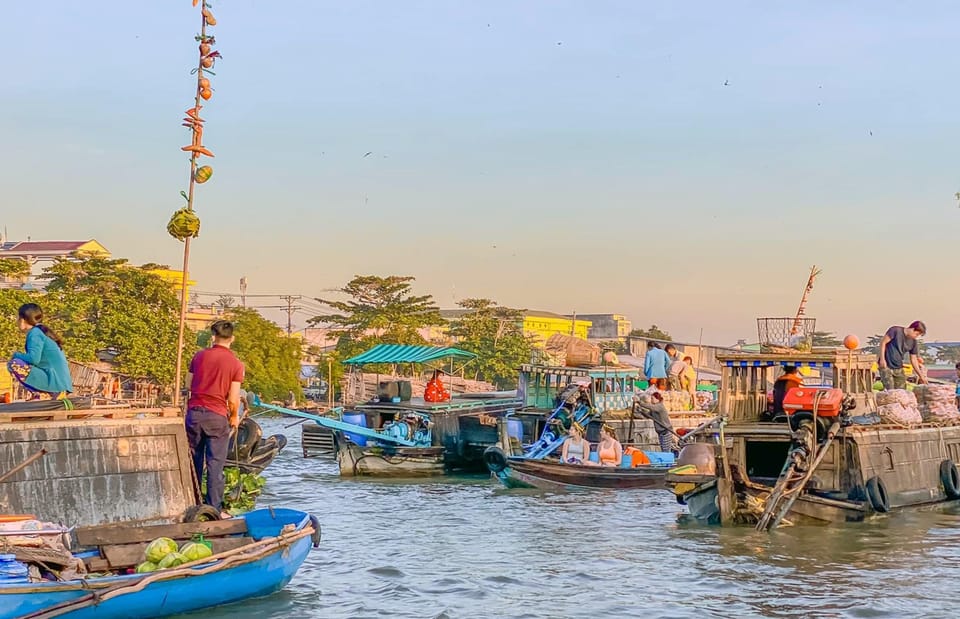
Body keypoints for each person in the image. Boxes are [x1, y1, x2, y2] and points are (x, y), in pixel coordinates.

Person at [186, 320, 244, 516]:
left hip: (194, 414)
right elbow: (233, 398)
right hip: (217, 416)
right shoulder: (236, 364)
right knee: (215, 464)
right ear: (232, 339)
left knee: (194, 461)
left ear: (213, 337)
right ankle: (213, 510)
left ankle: (191, 503)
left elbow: (188, 384)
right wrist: (235, 416)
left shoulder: (198, 356)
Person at [7, 303, 73, 400]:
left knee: (14, 364)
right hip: (60, 381)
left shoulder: (35, 333)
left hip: (55, 381)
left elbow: (34, 359)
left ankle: (45, 394)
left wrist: (16, 355)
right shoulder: (41, 330)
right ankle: (44, 393)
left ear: (23, 320)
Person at [878, 321, 927, 390]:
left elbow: (913, 359)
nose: (916, 336)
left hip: (898, 366)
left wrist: (921, 376)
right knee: (890, 390)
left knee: (902, 391)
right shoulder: (895, 330)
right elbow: (883, 343)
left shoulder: (913, 342)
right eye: (917, 334)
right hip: (886, 365)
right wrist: (882, 359)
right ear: (912, 329)